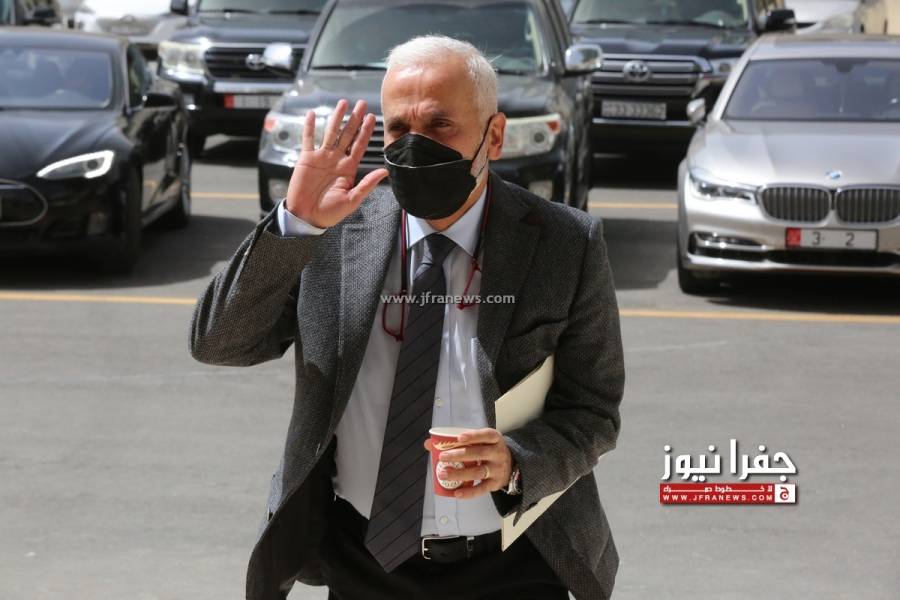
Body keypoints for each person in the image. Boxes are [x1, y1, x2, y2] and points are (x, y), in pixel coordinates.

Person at [189, 34, 624, 600]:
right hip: (364, 560)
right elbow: (219, 343)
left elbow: (593, 410)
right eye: (399, 128)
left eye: (440, 124)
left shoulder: (565, 243)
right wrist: (295, 223)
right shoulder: (331, 233)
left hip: (514, 560)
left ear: (493, 135)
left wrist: (517, 463)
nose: (416, 145)